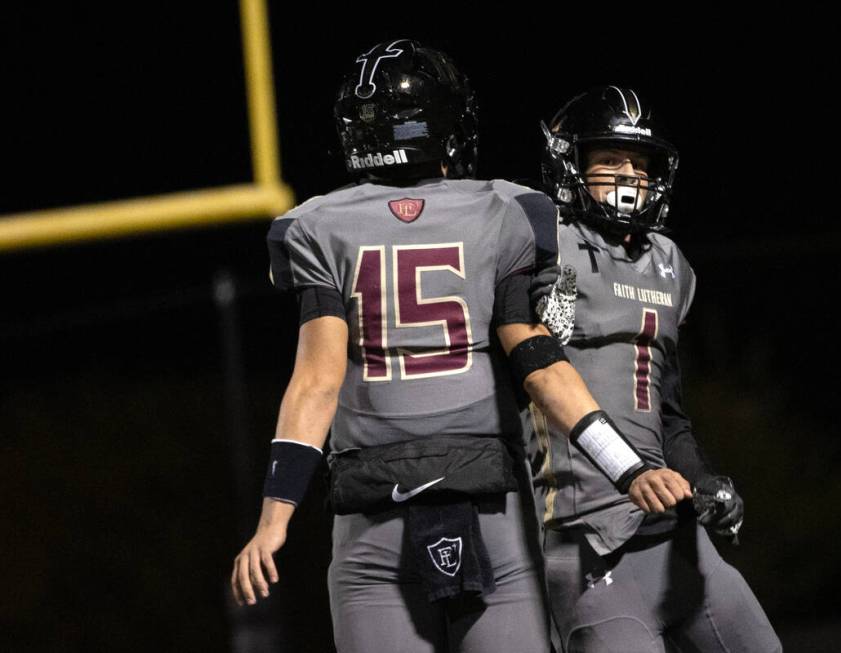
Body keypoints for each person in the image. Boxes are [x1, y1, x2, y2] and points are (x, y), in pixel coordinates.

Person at [229, 43, 672, 653]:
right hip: (489, 508)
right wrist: (628, 466)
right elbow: (540, 366)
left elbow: (317, 383)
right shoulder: (505, 210)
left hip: (371, 521)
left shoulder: (319, 225)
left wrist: (273, 519)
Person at [526, 86, 782, 652]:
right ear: (570, 163)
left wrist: (707, 480)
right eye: (611, 160)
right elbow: (537, 364)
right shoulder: (549, 246)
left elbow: (669, 415)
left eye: (640, 165)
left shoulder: (670, 266)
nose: (630, 176)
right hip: (587, 538)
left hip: (676, 536)